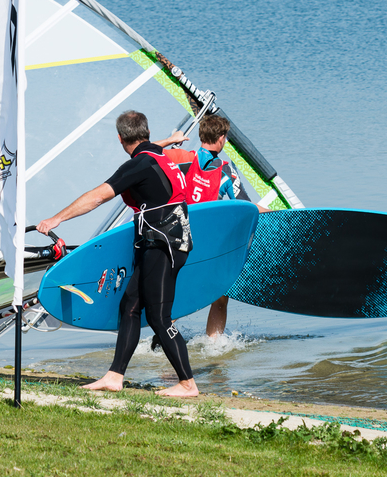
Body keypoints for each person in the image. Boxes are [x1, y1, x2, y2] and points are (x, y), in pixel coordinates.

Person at [36, 110, 199, 398]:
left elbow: (98, 196)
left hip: (163, 247)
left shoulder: (137, 166)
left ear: (120, 138)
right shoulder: (160, 156)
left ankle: (188, 384)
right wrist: (172, 139)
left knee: (160, 318)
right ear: (145, 133)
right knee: (130, 307)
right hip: (167, 242)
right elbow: (153, 147)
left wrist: (57, 219)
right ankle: (114, 376)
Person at [162, 114, 264, 338]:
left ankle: (163, 337)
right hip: (210, 244)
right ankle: (214, 347)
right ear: (221, 138)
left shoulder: (181, 158)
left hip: (179, 241)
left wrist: (170, 141)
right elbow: (246, 206)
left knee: (181, 293)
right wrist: (277, 213)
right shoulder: (225, 170)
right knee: (220, 294)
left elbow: (147, 153)